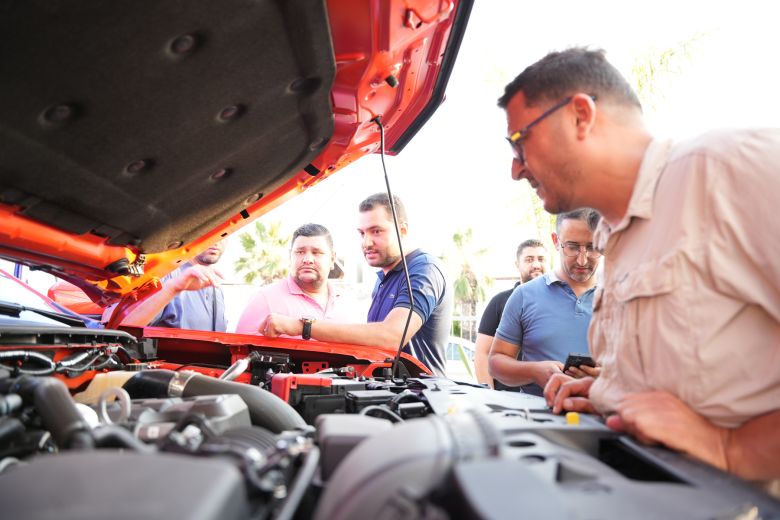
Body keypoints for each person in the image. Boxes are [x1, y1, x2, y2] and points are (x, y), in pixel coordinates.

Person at [499, 47, 780, 483]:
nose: (516, 169)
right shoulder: (617, 235)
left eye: (519, 141)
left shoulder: (729, 169)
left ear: (580, 116)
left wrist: (732, 448)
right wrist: (611, 394)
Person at [261, 193, 453, 377]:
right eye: (362, 233)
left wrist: (302, 327)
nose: (366, 242)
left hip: (423, 401)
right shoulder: (382, 280)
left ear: (402, 231)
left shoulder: (424, 270)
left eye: (376, 231)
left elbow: (393, 336)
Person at [487, 210, 601, 396]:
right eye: (572, 247)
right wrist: (534, 371)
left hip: (602, 420)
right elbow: (495, 363)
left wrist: (609, 377)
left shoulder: (621, 296)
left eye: (592, 247)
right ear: (556, 241)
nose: (582, 259)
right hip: (537, 420)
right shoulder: (524, 295)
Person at [235, 223, 353, 336]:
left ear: (332, 259)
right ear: (290, 256)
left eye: (316, 252)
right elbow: (240, 350)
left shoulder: (347, 302)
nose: (307, 259)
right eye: (300, 252)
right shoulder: (265, 299)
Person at [473, 238, 548, 388]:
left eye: (541, 259)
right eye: (529, 259)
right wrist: (489, 395)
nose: (536, 264)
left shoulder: (557, 300)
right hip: (505, 398)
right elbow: (482, 353)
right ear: (517, 265)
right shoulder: (499, 301)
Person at [119, 241, 226, 331]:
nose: (216, 242)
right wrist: (173, 287)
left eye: (224, 236)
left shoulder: (216, 286)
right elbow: (124, 328)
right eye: (215, 234)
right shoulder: (164, 274)